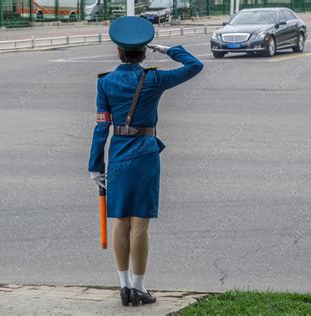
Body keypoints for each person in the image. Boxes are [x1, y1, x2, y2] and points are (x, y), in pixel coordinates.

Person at [88, 16, 203, 307]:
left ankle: (124, 286)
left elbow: (101, 126)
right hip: (145, 154)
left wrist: (94, 166)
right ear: (143, 52)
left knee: (119, 222)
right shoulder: (154, 78)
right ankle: (139, 288)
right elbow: (195, 65)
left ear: (118, 51)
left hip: (117, 154)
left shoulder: (106, 82)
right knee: (140, 224)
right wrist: (166, 49)